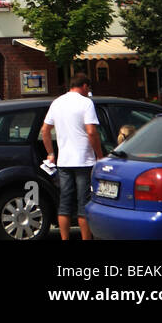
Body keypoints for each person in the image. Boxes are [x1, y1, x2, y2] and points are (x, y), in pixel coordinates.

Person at [40, 73, 103, 240]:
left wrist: (51, 153)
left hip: (64, 161)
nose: (88, 91)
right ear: (84, 86)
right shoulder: (86, 103)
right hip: (84, 160)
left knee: (65, 204)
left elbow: (45, 130)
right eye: (88, 88)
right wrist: (100, 155)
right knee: (84, 204)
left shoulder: (57, 102)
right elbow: (91, 132)